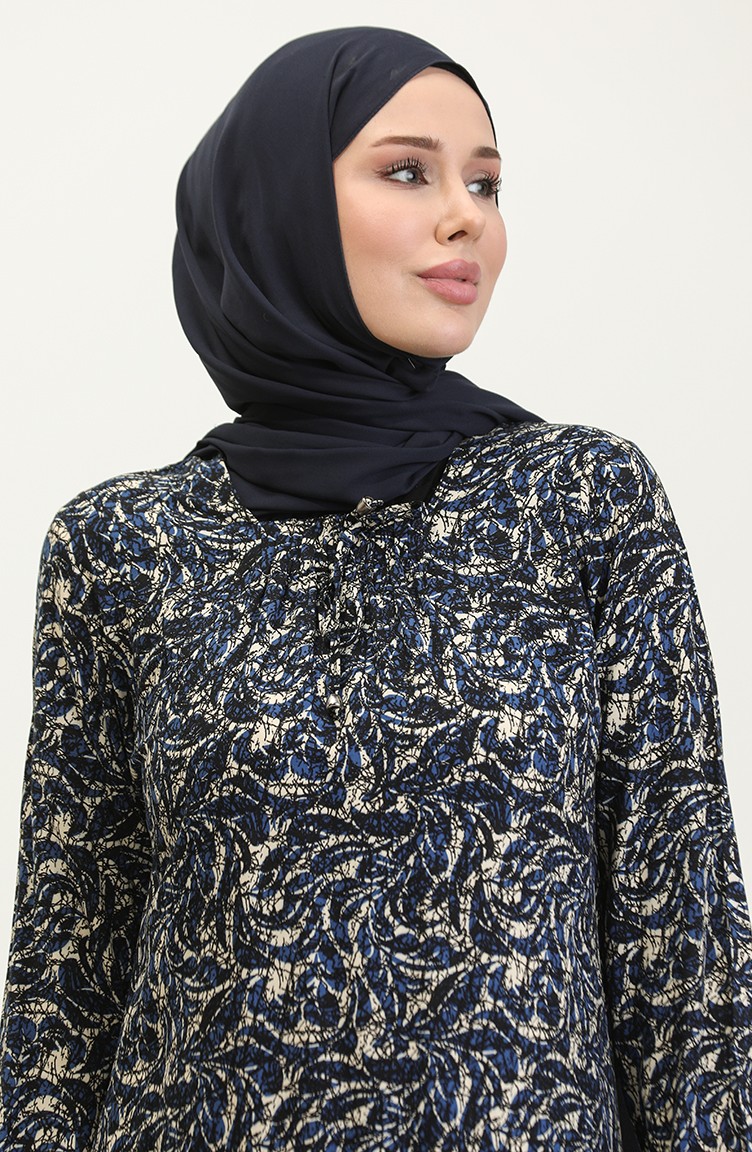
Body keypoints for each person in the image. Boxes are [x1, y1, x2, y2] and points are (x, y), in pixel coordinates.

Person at [0, 24, 750, 1151]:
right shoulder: (122, 544)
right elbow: (66, 977)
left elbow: (683, 947)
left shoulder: (581, 500)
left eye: (485, 184)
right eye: (408, 171)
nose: (467, 218)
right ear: (279, 205)